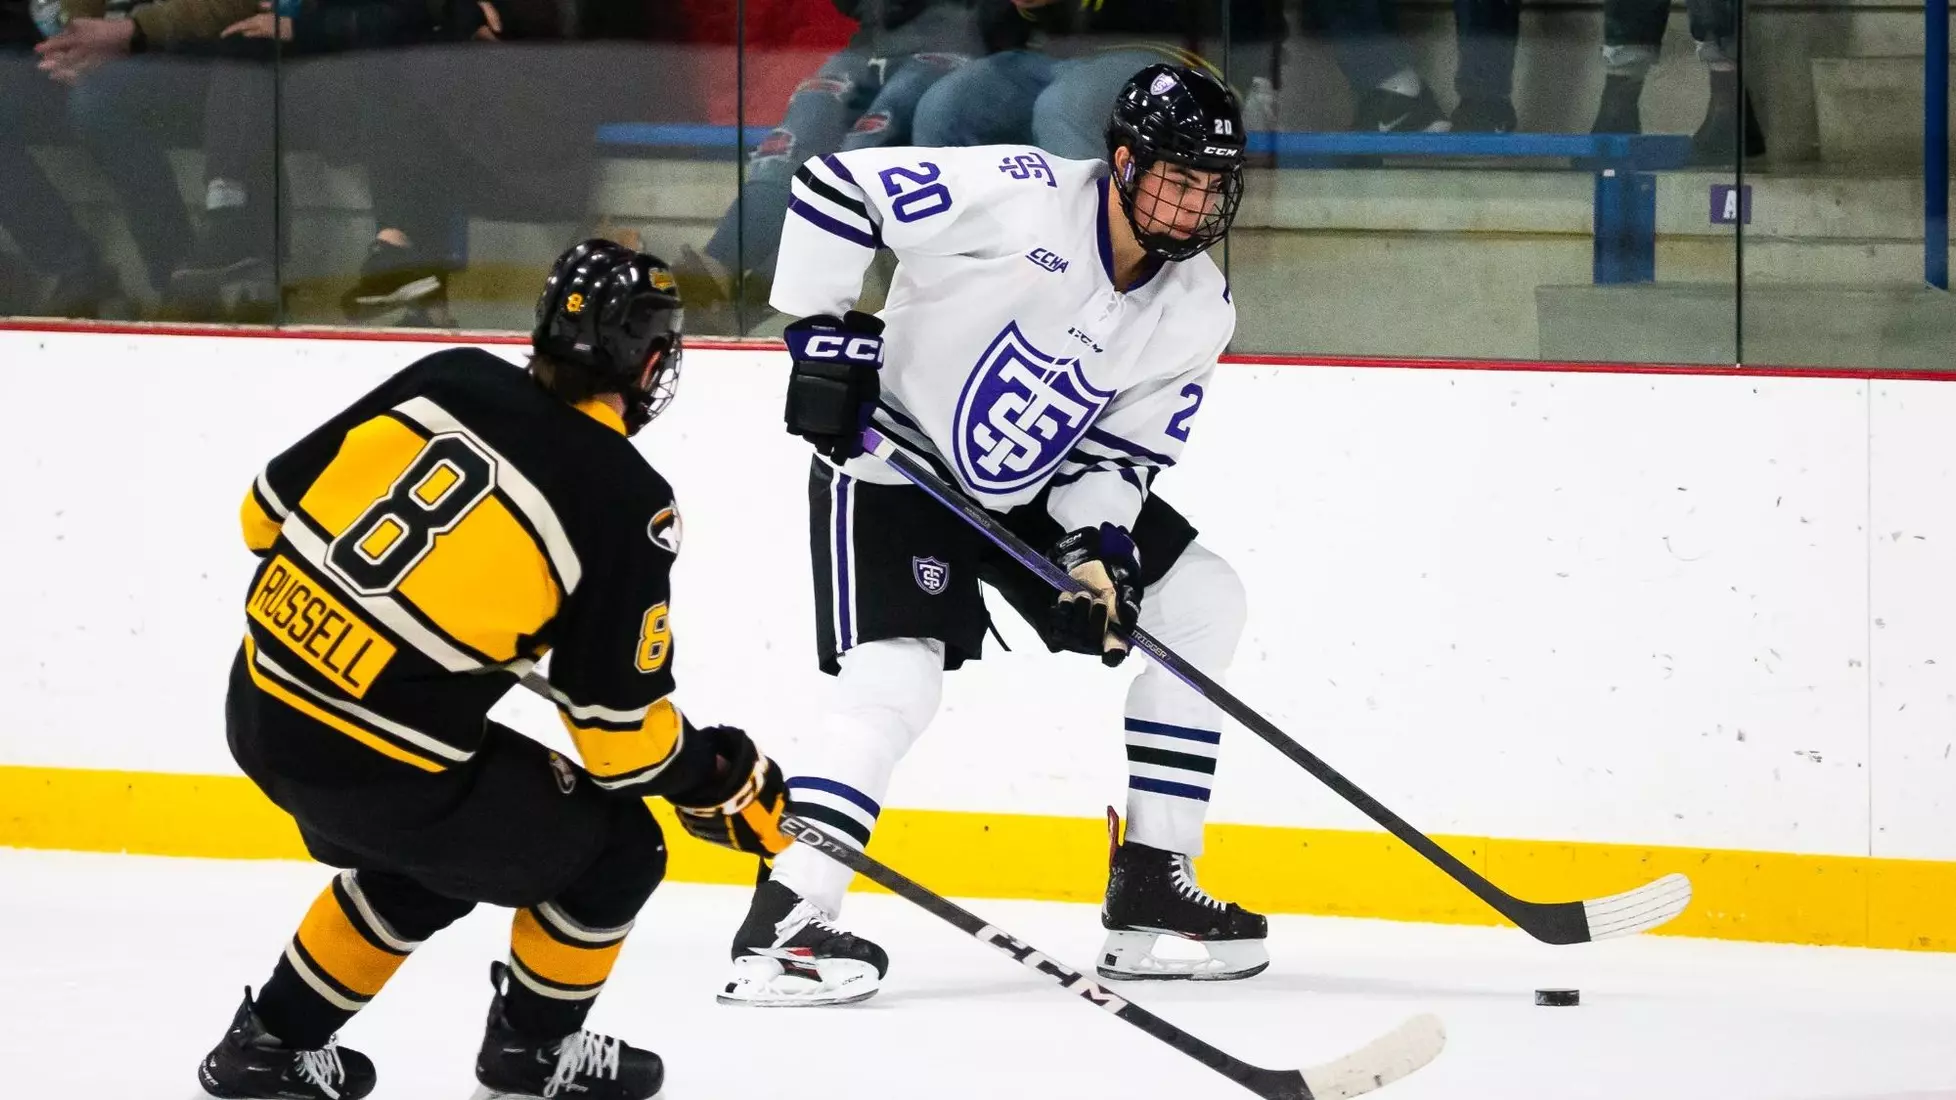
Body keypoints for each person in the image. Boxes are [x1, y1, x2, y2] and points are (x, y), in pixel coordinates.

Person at [720, 63, 1265, 1008]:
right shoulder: (1021, 196)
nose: (1193, 205)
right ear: (1125, 161)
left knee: (1203, 600)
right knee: (895, 678)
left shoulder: (1199, 306)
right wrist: (823, 331)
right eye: (1176, 178)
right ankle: (788, 919)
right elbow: (836, 184)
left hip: (1032, 483)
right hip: (894, 458)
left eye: (1211, 186)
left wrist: (1099, 552)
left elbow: (1115, 455)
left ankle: (1151, 889)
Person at [195, 239, 791, 1100]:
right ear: (653, 360)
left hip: (261, 707)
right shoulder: (626, 499)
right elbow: (620, 747)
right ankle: (534, 1053)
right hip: (376, 761)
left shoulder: (449, 377)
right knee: (618, 851)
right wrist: (720, 778)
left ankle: (269, 1048)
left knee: (436, 855)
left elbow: (264, 516)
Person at [671, 0, 983, 335]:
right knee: (794, 137)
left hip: (951, 45)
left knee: (857, 157)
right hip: (869, 46)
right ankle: (717, 267)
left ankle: (764, 299)